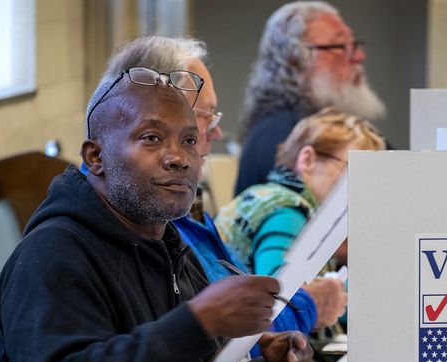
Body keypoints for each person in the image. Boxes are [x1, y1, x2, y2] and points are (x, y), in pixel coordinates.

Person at [0, 67, 312, 362]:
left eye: (190, 140)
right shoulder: (52, 254)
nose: (179, 158)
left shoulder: (169, 248)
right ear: (96, 157)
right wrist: (199, 322)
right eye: (151, 138)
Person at [99, 35, 345, 338]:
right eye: (204, 118)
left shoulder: (181, 214)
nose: (213, 135)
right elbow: (225, 335)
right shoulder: (144, 221)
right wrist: (309, 306)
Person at [215, 107, 384, 281]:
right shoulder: (287, 212)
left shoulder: (269, 198)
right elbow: (284, 297)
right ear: (307, 160)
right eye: (352, 168)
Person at [235, 0, 387, 194]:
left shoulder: (317, 123)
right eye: (342, 46)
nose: (358, 56)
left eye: (355, 44)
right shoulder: (282, 132)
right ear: (297, 58)